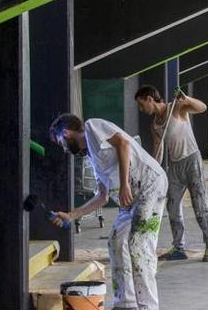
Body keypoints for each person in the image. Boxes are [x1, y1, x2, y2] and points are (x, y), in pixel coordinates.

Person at [49, 114, 167, 310]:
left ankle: (148, 306)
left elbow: (123, 143)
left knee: (138, 245)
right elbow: (102, 196)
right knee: (116, 241)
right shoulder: (92, 157)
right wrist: (71, 215)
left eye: (60, 142)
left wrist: (124, 185)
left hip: (149, 185)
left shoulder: (91, 127)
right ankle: (126, 303)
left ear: (66, 132)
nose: (62, 148)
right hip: (131, 198)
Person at [135, 85, 208, 262]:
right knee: (172, 206)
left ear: (150, 99)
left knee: (199, 205)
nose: (141, 109)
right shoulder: (156, 124)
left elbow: (202, 107)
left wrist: (187, 99)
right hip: (175, 167)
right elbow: (158, 149)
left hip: (192, 161)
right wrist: (154, 171)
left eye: (142, 105)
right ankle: (178, 247)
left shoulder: (177, 107)